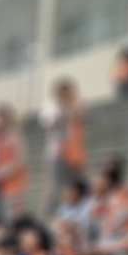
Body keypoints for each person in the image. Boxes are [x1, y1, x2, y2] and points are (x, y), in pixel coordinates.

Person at [44, 77, 86, 213]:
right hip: (58, 152)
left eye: (70, 91)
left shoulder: (74, 106)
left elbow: (80, 118)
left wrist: (73, 107)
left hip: (75, 153)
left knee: (77, 185)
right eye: (65, 92)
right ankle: (53, 212)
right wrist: (63, 111)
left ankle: (75, 211)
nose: (68, 94)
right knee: (57, 186)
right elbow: (50, 124)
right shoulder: (51, 107)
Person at [0, 103, 28, 222]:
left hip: (11, 187)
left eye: (0, 118)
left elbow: (18, 163)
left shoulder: (14, 138)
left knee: (12, 220)